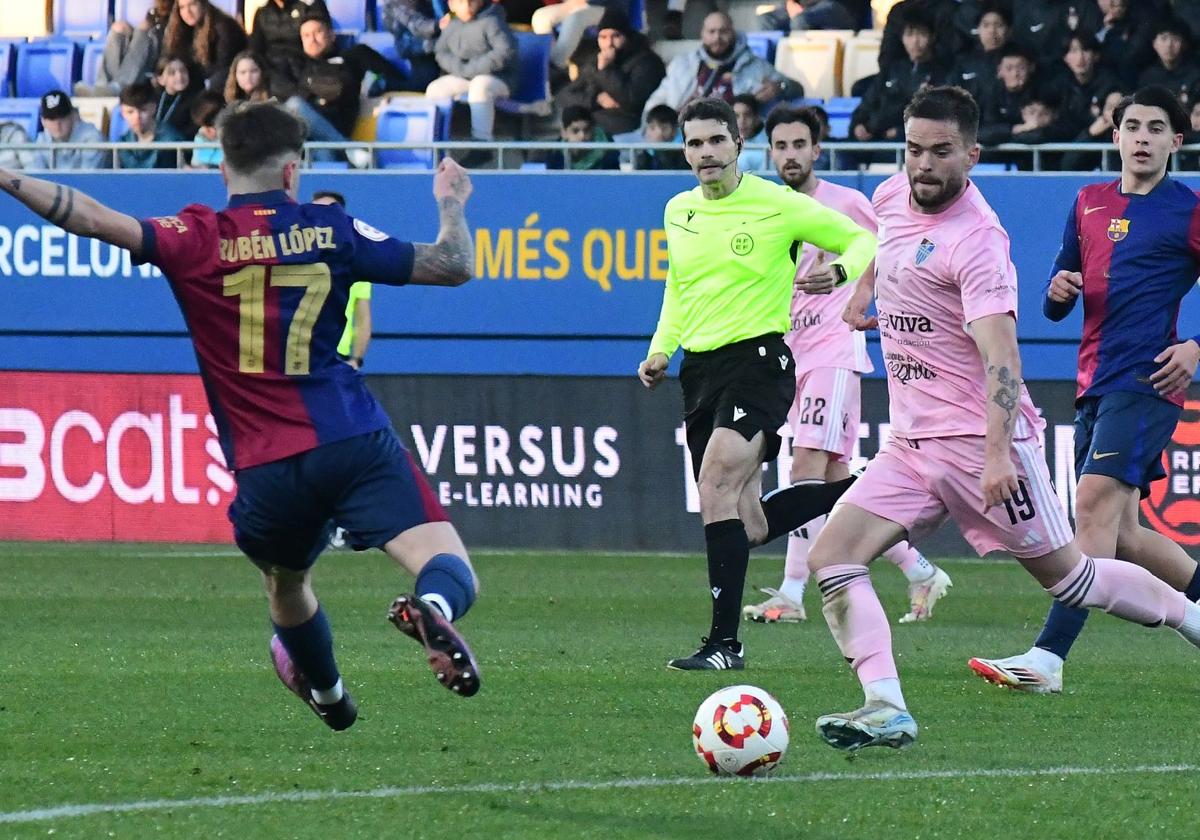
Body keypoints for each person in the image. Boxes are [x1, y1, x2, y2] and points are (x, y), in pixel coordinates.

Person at [0, 101, 482, 731]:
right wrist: (452, 200)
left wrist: (9, 175)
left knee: (286, 585)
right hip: (351, 436)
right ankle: (433, 605)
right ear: (292, 173)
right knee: (443, 559)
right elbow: (453, 265)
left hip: (266, 466)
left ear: (222, 169)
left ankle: (332, 697)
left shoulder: (196, 236)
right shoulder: (331, 229)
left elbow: (90, 217)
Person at [807, 85, 1200, 753]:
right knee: (833, 558)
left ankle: (1187, 622)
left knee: (1075, 575)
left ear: (972, 155)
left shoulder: (979, 242)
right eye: (912, 150)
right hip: (909, 442)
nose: (923, 166)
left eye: (940, 153)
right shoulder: (890, 196)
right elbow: (886, 243)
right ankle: (886, 706)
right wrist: (865, 291)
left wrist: (997, 457)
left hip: (982, 445)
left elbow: (1002, 360)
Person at [968, 85, 1200, 693]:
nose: (1143, 137)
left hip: (1148, 381)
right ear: (1115, 134)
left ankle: (1047, 659)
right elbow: (1052, 300)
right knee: (1124, 535)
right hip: (1093, 382)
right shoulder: (1087, 202)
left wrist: (1196, 346)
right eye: (1132, 126)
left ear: (1177, 141)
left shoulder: (1189, 208)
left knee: (1091, 506)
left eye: (1156, 128)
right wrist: (1058, 291)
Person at [638, 97, 877, 671]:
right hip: (699, 370)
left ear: (738, 143)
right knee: (749, 525)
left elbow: (865, 241)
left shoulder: (779, 205)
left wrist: (840, 273)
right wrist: (660, 349)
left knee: (716, 477)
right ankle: (862, 486)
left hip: (761, 360)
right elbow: (680, 287)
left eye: (716, 141)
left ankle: (724, 645)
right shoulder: (679, 211)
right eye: (694, 144)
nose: (705, 154)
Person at [742, 106, 950, 627]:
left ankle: (791, 594)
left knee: (804, 468)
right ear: (770, 152)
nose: (790, 155)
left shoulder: (847, 203)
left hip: (834, 349)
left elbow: (888, 246)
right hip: (789, 354)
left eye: (799, 145)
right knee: (836, 484)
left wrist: (850, 282)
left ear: (817, 149)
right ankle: (920, 570)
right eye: (781, 146)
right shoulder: (766, 208)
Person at [289, 12, 410, 164]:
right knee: (318, 150)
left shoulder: (355, 55)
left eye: (317, 32)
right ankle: (348, 148)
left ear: (332, 35)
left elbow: (394, 77)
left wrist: (378, 85)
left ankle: (347, 149)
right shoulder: (299, 65)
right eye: (306, 36)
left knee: (295, 105)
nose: (312, 40)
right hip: (309, 136)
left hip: (338, 123)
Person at [642, 12, 800, 120]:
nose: (717, 37)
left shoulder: (754, 65)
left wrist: (780, 86)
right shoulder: (683, 65)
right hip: (687, 140)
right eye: (712, 32)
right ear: (702, 35)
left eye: (723, 31)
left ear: (733, 33)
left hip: (737, 142)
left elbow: (797, 89)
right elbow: (656, 101)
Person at [425, 0, 518, 164]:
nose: (467, 7)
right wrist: (460, 69)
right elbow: (441, 51)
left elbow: (504, 51)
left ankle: (482, 145)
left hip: (498, 79)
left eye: (471, 2)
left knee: (479, 86)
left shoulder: (492, 20)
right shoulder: (453, 24)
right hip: (464, 75)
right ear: (452, 4)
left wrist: (471, 70)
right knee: (435, 89)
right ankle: (434, 143)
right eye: (461, 2)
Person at [555, 8, 665, 138]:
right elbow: (564, 95)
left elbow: (631, 101)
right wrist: (596, 100)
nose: (609, 43)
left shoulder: (647, 62)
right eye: (603, 37)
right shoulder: (595, 61)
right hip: (590, 130)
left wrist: (605, 70)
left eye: (615, 36)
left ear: (627, 37)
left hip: (625, 132)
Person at [849, 10, 948, 144]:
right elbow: (868, 102)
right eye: (909, 35)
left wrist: (901, 130)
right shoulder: (891, 70)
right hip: (876, 135)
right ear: (902, 38)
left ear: (932, 37)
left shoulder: (942, 73)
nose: (915, 41)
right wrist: (858, 125)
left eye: (922, 34)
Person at [79, 0, 172, 96]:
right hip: (146, 56)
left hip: (162, 59)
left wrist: (143, 31)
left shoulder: (178, 9)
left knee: (144, 29)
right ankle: (103, 84)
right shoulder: (155, 12)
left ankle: (118, 86)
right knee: (119, 28)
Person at [248, 0, 332, 99]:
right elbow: (255, 48)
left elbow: (320, 38)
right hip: (272, 68)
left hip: (303, 64)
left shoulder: (309, 5)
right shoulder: (262, 13)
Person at [161, 0, 247, 91]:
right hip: (194, 86)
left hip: (221, 88)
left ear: (203, 4)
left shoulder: (224, 28)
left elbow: (223, 68)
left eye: (192, 4)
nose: (187, 11)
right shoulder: (180, 29)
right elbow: (171, 56)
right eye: (182, 7)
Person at [116, 80, 186, 169]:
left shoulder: (172, 140)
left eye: (143, 110)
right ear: (122, 113)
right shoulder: (123, 141)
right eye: (130, 112)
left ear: (153, 108)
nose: (137, 117)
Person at [31, 90, 107, 171]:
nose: (57, 124)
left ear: (73, 116)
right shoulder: (42, 140)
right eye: (51, 119)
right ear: (43, 121)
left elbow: (88, 178)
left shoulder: (92, 138)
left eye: (62, 117)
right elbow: (36, 176)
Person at [544, 106, 621, 170]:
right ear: (564, 133)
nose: (582, 136)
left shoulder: (609, 152)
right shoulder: (554, 155)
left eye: (587, 130)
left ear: (593, 130)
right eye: (575, 131)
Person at [154, 54, 203, 139]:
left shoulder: (196, 101)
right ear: (161, 80)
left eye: (183, 71)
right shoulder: (153, 100)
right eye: (172, 73)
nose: (179, 76)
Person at [633, 104, 688, 170]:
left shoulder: (685, 155)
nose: (647, 134)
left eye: (652, 128)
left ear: (667, 129)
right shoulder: (645, 155)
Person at [188, 91, 226, 169]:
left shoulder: (233, 137)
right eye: (205, 126)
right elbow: (196, 164)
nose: (208, 131)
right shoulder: (200, 137)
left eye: (212, 125)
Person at [732, 93, 767, 172]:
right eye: (736, 116)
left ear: (757, 117)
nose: (741, 121)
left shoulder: (770, 140)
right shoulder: (723, 141)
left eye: (747, 115)